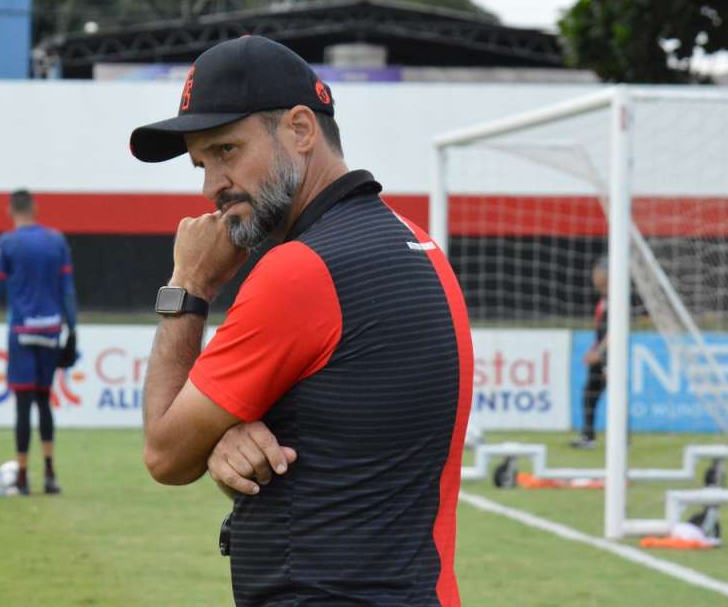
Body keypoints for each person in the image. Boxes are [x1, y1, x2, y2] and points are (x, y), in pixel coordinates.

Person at [132, 36, 473, 606]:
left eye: (226, 150)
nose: (210, 186)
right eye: (201, 164)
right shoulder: (421, 246)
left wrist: (188, 288)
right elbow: (350, 430)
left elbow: (165, 454)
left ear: (299, 129)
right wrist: (223, 439)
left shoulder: (299, 272)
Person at [0, 189, 78, 495]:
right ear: (35, 207)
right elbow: (68, 290)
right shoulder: (56, 241)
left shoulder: (6, 244)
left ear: (9, 210)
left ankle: (23, 476)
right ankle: (51, 474)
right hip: (51, 330)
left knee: (23, 405)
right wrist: (72, 331)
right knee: (44, 402)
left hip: (21, 333)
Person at [571, 257, 608, 449]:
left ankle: (591, 436)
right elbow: (602, 331)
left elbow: (615, 331)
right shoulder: (604, 299)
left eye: (597, 273)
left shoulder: (615, 299)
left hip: (608, 357)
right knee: (589, 393)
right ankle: (588, 436)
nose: (594, 277)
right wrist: (593, 350)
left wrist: (600, 353)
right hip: (600, 355)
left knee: (603, 394)